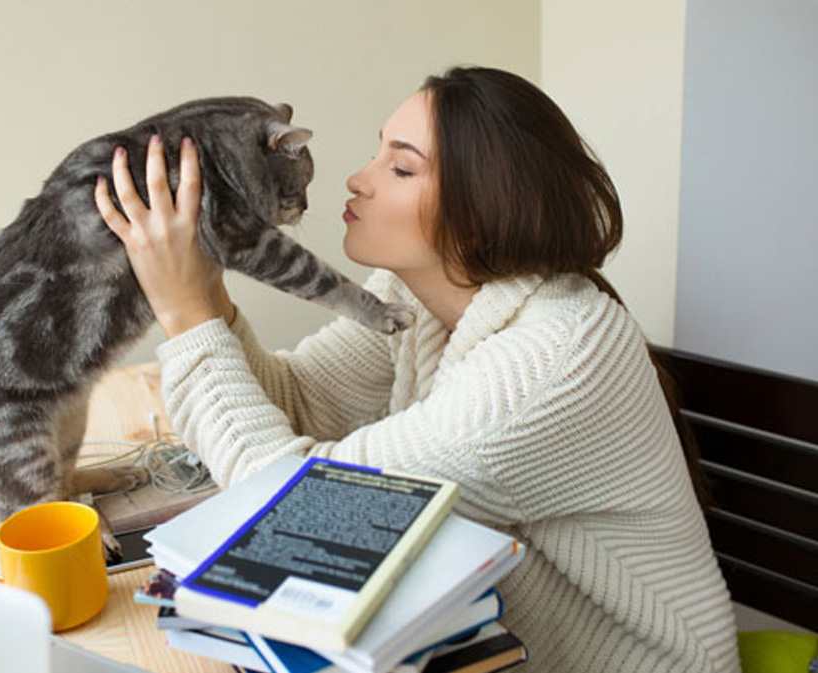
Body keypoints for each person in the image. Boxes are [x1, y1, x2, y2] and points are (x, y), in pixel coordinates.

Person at [95, 67, 740, 672]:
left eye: (401, 168)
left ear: (483, 210)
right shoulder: (416, 298)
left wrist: (183, 313)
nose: (358, 178)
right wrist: (204, 284)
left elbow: (294, 516)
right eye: (380, 152)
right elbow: (301, 401)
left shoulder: (550, 364)